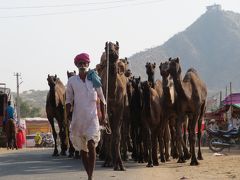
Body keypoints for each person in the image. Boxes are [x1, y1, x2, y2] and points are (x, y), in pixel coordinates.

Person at [66, 52, 107, 180]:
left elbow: (102, 99)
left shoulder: (94, 79)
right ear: (77, 65)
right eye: (80, 63)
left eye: (84, 63)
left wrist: (104, 117)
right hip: (78, 120)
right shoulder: (72, 81)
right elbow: (68, 100)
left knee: (91, 144)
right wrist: (68, 115)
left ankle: (91, 175)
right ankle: (88, 174)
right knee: (83, 150)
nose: (82, 65)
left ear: (88, 64)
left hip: (92, 118)